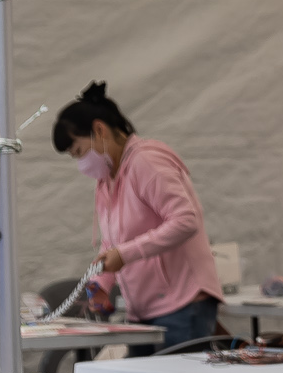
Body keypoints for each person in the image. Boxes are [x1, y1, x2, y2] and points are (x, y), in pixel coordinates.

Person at [51, 82, 223, 350]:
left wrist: (127, 254)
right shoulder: (108, 179)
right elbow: (114, 241)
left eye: (79, 152)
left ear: (99, 130)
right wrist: (101, 283)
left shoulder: (147, 162)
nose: (81, 164)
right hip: (143, 309)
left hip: (183, 304)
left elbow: (185, 220)